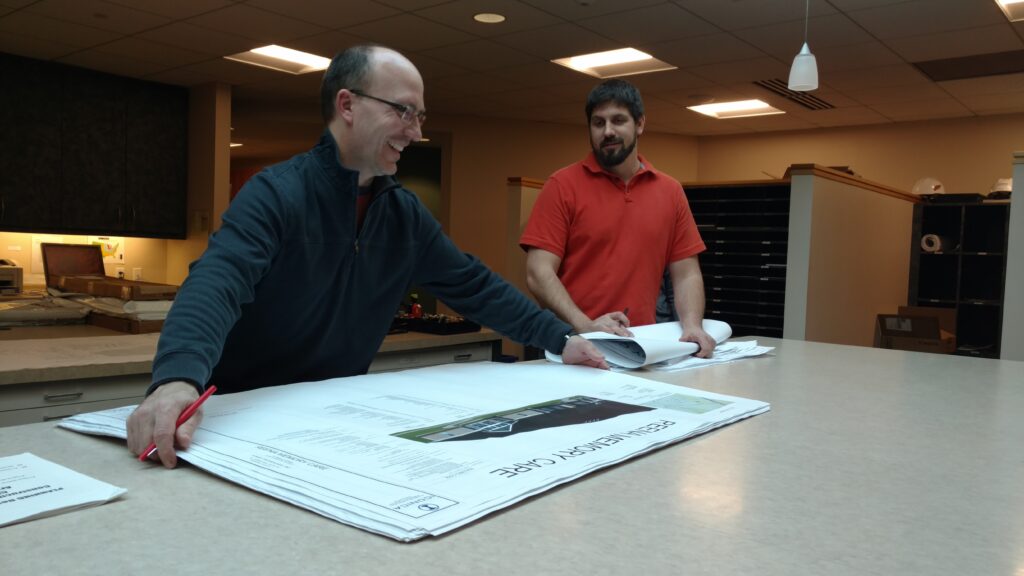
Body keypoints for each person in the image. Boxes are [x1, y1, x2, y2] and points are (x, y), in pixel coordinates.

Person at [127, 45, 608, 468]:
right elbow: (216, 283)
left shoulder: (403, 215)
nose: (416, 132)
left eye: (421, 116)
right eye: (405, 111)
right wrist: (177, 378)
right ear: (348, 104)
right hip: (243, 422)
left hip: (332, 421)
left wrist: (560, 338)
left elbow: (474, 286)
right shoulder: (276, 194)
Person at [519, 79, 715, 356]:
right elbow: (538, 273)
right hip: (572, 345)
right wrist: (585, 325)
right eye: (598, 123)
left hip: (641, 347)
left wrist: (692, 325)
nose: (607, 131)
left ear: (640, 124)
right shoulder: (562, 185)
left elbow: (686, 273)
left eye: (618, 120)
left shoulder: (670, 191)